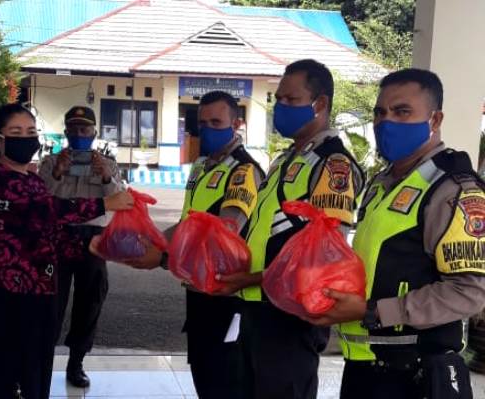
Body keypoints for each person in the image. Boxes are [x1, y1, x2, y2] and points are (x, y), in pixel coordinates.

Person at [307, 68, 485, 399]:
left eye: (402, 111)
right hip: (366, 367)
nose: (385, 122)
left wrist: (373, 311)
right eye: (379, 112)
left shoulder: (452, 190)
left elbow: (468, 293)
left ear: (435, 120)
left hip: (415, 374)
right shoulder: (383, 183)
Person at [92, 90, 264, 399]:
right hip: (198, 293)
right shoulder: (202, 166)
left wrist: (161, 257)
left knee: (226, 383)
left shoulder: (243, 171)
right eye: (202, 122)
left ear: (237, 124)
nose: (207, 129)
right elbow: (189, 223)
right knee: (205, 377)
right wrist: (153, 240)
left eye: (217, 122)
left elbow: (223, 236)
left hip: (228, 297)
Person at [213, 59, 365, 398]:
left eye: (290, 100)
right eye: (278, 100)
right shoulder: (287, 160)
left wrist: (254, 278)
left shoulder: (332, 163)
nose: (280, 107)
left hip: (290, 316)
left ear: (320, 104)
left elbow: (323, 259)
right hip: (258, 307)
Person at [0, 103, 133, 399]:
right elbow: (43, 210)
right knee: (6, 365)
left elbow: (48, 224)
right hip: (7, 292)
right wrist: (100, 202)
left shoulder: (35, 177)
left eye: (31, 131)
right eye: (16, 132)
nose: (25, 138)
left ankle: (73, 363)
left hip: (46, 278)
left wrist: (97, 241)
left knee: (42, 356)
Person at [38, 106, 123, 388]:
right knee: (51, 304)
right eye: (73, 130)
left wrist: (106, 178)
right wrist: (59, 173)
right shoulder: (50, 162)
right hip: (58, 239)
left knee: (90, 302)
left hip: (94, 241)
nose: (79, 135)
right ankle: (42, 363)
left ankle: (76, 363)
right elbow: (40, 201)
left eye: (84, 130)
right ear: (65, 133)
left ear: (95, 133)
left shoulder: (108, 164)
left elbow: (122, 200)